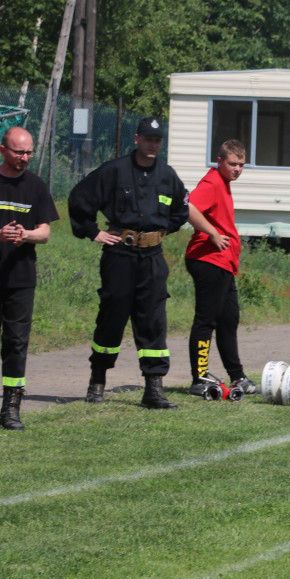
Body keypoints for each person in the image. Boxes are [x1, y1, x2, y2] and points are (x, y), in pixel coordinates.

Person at [69, 116, 190, 408]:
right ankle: (97, 381)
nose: (152, 144)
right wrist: (92, 231)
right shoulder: (114, 171)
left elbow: (181, 211)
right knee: (112, 318)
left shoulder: (168, 176)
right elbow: (79, 199)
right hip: (119, 255)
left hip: (152, 258)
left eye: (157, 140)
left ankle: (154, 389)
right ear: (136, 139)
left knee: (153, 321)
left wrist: (161, 232)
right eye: (148, 139)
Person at [184, 139, 258, 397]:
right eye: (232, 164)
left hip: (223, 262)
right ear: (219, 161)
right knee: (207, 320)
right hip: (208, 260)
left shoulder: (223, 183)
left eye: (241, 164)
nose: (237, 169)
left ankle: (237, 376)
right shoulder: (212, 181)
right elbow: (189, 207)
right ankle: (199, 378)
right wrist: (213, 233)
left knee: (229, 319)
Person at [0, 127, 59, 430]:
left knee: (16, 342)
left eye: (28, 153)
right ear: (3, 150)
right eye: (18, 152)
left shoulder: (36, 186)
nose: (24, 158)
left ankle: (11, 407)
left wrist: (27, 234)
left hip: (21, 278)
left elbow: (46, 232)